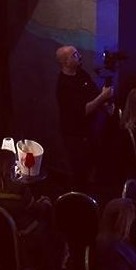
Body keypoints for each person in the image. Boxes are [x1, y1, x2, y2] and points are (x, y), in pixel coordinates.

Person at [54, 46, 113, 186]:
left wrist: (106, 104)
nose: (79, 56)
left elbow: (94, 93)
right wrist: (103, 97)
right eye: (75, 55)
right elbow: (83, 111)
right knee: (80, 171)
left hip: (90, 131)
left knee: (94, 167)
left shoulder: (81, 74)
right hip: (76, 136)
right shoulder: (64, 85)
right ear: (65, 62)